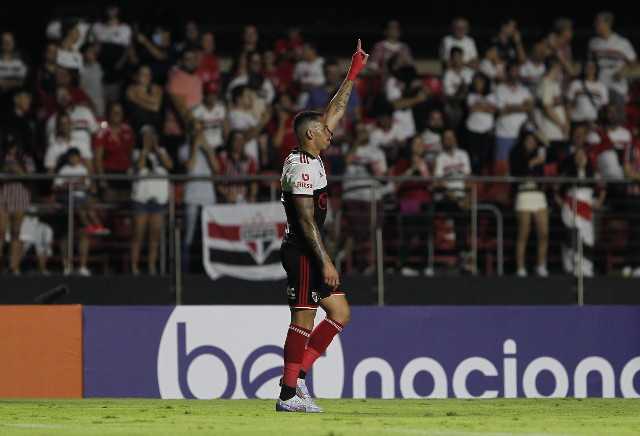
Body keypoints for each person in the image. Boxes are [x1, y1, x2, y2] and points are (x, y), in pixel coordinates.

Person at [277, 40, 367, 413]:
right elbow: (304, 219)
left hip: (311, 251)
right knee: (303, 317)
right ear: (309, 134)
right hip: (303, 250)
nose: (331, 132)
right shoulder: (299, 166)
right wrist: (326, 260)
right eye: (324, 130)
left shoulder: (313, 152)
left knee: (341, 313)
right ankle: (287, 394)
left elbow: (335, 111)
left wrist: (353, 73)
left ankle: (297, 379)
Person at [342, 121, 388, 275]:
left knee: (377, 231)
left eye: (364, 130)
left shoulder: (377, 152)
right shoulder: (348, 149)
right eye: (359, 131)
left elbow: (382, 175)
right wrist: (355, 144)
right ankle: (363, 267)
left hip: (374, 195)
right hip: (353, 195)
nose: (363, 133)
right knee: (360, 233)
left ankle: (379, 266)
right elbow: (347, 161)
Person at [553, 148, 606, 277]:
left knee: (587, 238)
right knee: (572, 236)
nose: (580, 158)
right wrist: (562, 203)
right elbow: (555, 187)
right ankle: (570, 267)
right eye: (578, 155)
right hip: (570, 208)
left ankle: (586, 269)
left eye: (583, 155)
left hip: (586, 210)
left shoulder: (593, 173)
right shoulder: (567, 173)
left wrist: (598, 202)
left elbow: (603, 187)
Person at [52, 148, 104, 276]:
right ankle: (66, 265)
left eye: (76, 156)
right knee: (65, 234)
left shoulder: (83, 169)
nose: (73, 159)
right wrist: (70, 186)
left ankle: (82, 266)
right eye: (71, 156)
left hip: (82, 199)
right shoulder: (64, 170)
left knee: (83, 230)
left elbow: (88, 187)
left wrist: (80, 187)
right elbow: (56, 185)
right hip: (68, 201)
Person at [130, 125, 173, 275]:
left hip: (158, 200)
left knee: (154, 236)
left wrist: (157, 149)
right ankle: (134, 267)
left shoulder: (162, 152)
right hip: (141, 199)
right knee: (138, 235)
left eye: (151, 136)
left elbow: (170, 165)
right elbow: (139, 166)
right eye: (146, 136)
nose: (149, 139)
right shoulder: (136, 153)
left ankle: (151, 267)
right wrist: (145, 149)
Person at [178, 118, 220, 272]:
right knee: (188, 237)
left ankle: (208, 269)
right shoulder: (184, 148)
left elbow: (216, 167)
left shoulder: (209, 149)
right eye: (195, 130)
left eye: (200, 130)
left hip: (208, 197)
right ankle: (184, 271)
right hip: (192, 198)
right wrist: (194, 147)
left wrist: (207, 147)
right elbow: (189, 167)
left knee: (208, 236)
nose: (198, 133)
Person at [509, 125, 549, 277]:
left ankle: (541, 265)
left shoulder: (540, 153)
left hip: (538, 194)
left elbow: (550, 153)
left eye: (534, 140)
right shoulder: (515, 154)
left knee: (544, 233)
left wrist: (543, 139)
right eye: (529, 140)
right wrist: (532, 163)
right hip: (523, 194)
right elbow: (517, 172)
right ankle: (520, 267)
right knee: (523, 232)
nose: (531, 143)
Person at [433, 129, 473, 272]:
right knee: (457, 207)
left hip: (461, 195)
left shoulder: (463, 155)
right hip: (445, 196)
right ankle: (462, 251)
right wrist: (457, 198)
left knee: (462, 208)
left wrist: (468, 197)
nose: (449, 140)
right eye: (446, 138)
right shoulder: (440, 158)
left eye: (451, 137)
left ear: (455, 139)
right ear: (443, 141)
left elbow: (468, 178)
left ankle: (464, 254)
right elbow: (438, 183)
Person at [393, 135, 433, 276]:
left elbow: (429, 182)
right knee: (407, 233)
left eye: (421, 144)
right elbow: (398, 181)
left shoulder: (425, 162)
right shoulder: (404, 161)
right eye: (416, 144)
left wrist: (423, 168)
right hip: (409, 200)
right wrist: (412, 169)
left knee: (425, 234)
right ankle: (403, 265)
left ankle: (426, 266)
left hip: (424, 201)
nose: (419, 147)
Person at [588, 11, 637, 123]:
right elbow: (590, 63)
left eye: (598, 22)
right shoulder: (593, 43)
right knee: (599, 120)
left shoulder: (622, 42)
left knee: (617, 120)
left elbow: (634, 61)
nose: (595, 25)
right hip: (599, 87)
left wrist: (624, 71)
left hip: (617, 88)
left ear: (608, 24)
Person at [0, 135, 35, 275]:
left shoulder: (25, 159)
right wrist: (5, 170)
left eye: (13, 146)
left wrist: (18, 170)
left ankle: (14, 267)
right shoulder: (2, 159)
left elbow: (32, 179)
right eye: (9, 146)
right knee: (0, 234)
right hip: (3, 197)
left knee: (16, 233)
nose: (11, 149)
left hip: (20, 198)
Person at [88, 4, 133, 105]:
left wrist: (119, 66)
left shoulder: (124, 28)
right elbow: (91, 47)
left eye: (114, 8)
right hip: (98, 70)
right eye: (109, 8)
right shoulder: (97, 27)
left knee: (114, 102)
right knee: (97, 100)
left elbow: (127, 50)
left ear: (118, 10)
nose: (111, 11)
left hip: (115, 72)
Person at [163, 45, 203, 155]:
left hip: (195, 131)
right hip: (178, 134)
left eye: (194, 59)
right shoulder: (176, 80)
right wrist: (190, 138)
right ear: (180, 62)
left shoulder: (196, 78)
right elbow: (183, 113)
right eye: (188, 59)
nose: (191, 62)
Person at [307, 58, 362, 137]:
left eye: (336, 73)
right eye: (330, 73)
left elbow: (357, 113)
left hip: (347, 132)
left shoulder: (348, 89)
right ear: (324, 73)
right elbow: (308, 114)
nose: (334, 76)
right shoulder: (315, 92)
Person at [93, 103, 136, 200]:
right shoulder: (102, 132)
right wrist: (101, 178)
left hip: (125, 172)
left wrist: (132, 171)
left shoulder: (129, 131)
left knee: (126, 202)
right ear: (109, 114)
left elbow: (131, 154)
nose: (117, 114)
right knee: (110, 200)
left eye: (119, 112)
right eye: (114, 112)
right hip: (109, 171)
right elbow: (97, 158)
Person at [494, 62, 533, 165]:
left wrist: (510, 107)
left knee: (519, 165)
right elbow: (501, 111)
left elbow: (529, 107)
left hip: (521, 136)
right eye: (513, 71)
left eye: (517, 71)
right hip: (504, 135)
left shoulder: (524, 90)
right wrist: (521, 106)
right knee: (502, 166)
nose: (516, 73)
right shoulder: (500, 89)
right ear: (507, 73)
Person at [533, 57, 569, 158]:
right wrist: (562, 126)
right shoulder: (546, 84)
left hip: (557, 133)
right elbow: (548, 108)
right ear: (556, 67)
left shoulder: (554, 84)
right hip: (549, 134)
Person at [228, 85, 271, 164]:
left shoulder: (249, 115)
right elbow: (246, 137)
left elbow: (260, 134)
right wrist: (262, 123)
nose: (251, 98)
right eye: (247, 96)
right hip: (241, 160)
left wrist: (264, 153)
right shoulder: (234, 115)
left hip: (253, 158)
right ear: (239, 99)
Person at [465, 73, 497, 175]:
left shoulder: (492, 96)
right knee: (473, 157)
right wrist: (485, 108)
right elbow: (471, 109)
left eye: (480, 82)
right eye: (475, 82)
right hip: (472, 129)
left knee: (485, 157)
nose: (477, 84)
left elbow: (493, 109)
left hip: (486, 130)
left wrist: (478, 108)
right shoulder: (470, 95)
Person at [217, 131, 258, 204]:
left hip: (244, 200)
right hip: (226, 201)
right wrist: (227, 195)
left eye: (241, 140)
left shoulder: (249, 159)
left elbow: (253, 181)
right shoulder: (222, 158)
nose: (239, 143)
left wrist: (252, 196)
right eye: (236, 140)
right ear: (231, 141)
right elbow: (216, 181)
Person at [369, 19, 413, 84]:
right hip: (387, 82)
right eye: (393, 27)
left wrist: (402, 65)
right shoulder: (379, 47)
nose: (396, 30)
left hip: (405, 81)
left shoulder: (405, 48)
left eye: (397, 27)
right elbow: (371, 70)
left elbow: (411, 68)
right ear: (385, 31)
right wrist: (390, 69)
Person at [566, 60, 608, 126]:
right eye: (587, 67)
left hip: (593, 122)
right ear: (584, 69)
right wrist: (567, 122)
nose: (589, 69)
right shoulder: (575, 84)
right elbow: (569, 105)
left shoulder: (602, 87)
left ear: (596, 69)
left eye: (592, 67)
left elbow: (604, 107)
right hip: (576, 120)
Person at [191, 81, 229, 152]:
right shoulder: (196, 110)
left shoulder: (221, 108)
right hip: (203, 147)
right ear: (204, 95)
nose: (213, 97)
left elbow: (226, 129)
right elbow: (197, 132)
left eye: (215, 94)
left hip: (219, 146)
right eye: (210, 94)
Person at [442, 47, 474, 132]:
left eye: (460, 57)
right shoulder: (448, 74)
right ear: (452, 59)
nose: (458, 60)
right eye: (456, 58)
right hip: (454, 105)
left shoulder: (469, 72)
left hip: (468, 103)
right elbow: (450, 96)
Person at [125, 65, 164, 133]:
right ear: (136, 76)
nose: (147, 77)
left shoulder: (157, 88)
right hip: (137, 126)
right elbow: (154, 105)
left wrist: (136, 98)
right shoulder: (131, 88)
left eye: (149, 74)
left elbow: (156, 107)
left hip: (155, 126)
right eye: (143, 74)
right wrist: (150, 101)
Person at [3, 89, 37, 157]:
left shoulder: (30, 118)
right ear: (16, 100)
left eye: (29, 98)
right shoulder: (7, 119)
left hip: (29, 157)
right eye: (25, 98)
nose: (29, 101)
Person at [0, 32, 28, 116]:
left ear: (14, 44)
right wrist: (16, 83)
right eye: (5, 41)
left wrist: (6, 82)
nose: (7, 44)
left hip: (16, 103)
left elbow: (24, 82)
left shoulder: (20, 62)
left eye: (10, 41)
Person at [293, 41, 325, 109]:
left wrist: (312, 86)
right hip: (304, 99)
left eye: (305, 50)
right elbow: (296, 83)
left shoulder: (323, 63)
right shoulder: (299, 65)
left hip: (320, 98)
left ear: (313, 50)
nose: (302, 52)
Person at [80, 43, 104, 117]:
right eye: (91, 51)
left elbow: (100, 88)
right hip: (87, 107)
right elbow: (81, 90)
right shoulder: (80, 69)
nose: (94, 54)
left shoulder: (97, 66)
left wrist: (103, 105)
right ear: (84, 54)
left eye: (94, 52)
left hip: (99, 107)